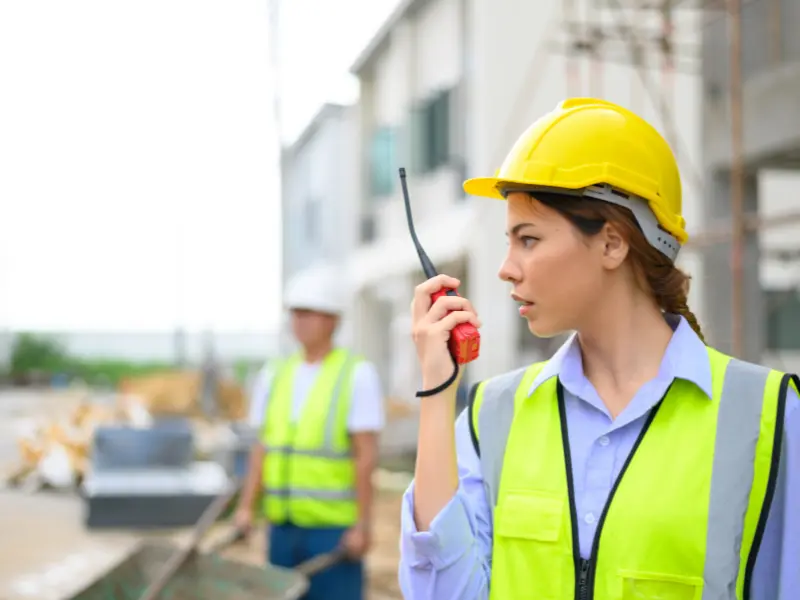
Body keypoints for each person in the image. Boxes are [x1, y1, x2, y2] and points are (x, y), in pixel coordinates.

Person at [399, 98, 799, 599]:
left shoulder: (767, 415)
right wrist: (437, 392)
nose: (506, 268)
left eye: (528, 239)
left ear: (612, 243)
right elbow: (443, 592)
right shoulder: (492, 415)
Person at [235, 265, 386, 600]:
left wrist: (363, 526)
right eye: (295, 313)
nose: (299, 321)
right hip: (282, 527)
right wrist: (246, 508)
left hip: (332, 530)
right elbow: (262, 448)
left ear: (332, 319)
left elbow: (366, 456)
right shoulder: (275, 374)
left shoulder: (356, 374)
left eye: (308, 313)